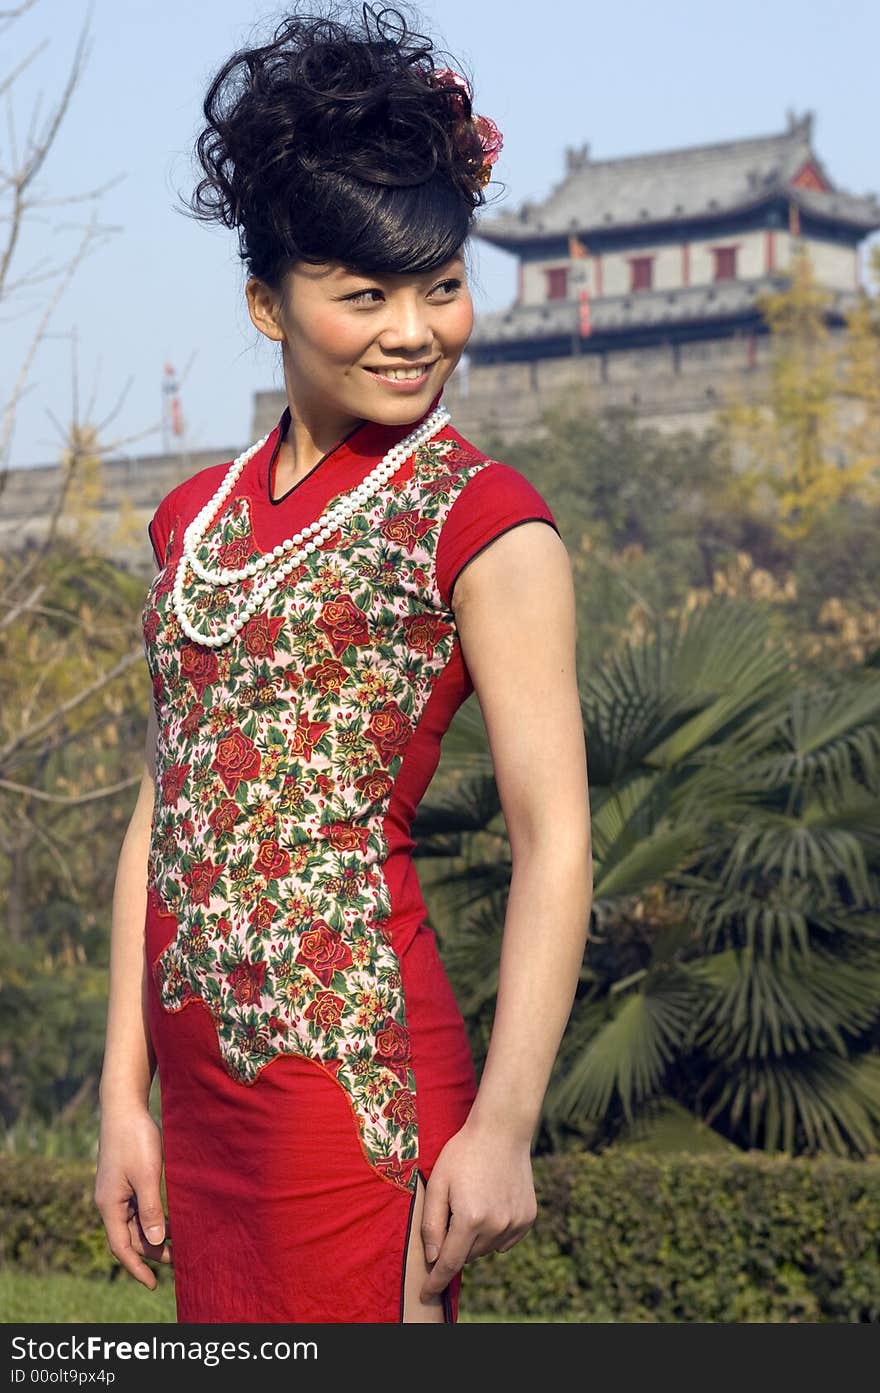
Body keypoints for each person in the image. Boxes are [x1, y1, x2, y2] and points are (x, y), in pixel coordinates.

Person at [94, 2, 592, 1324]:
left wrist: (504, 1122)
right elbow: (171, 812)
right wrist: (121, 1097)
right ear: (268, 303)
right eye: (365, 292)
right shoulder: (188, 521)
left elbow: (555, 840)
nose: (413, 327)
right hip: (203, 1119)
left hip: (358, 1099)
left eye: (440, 283)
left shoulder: (487, 522)